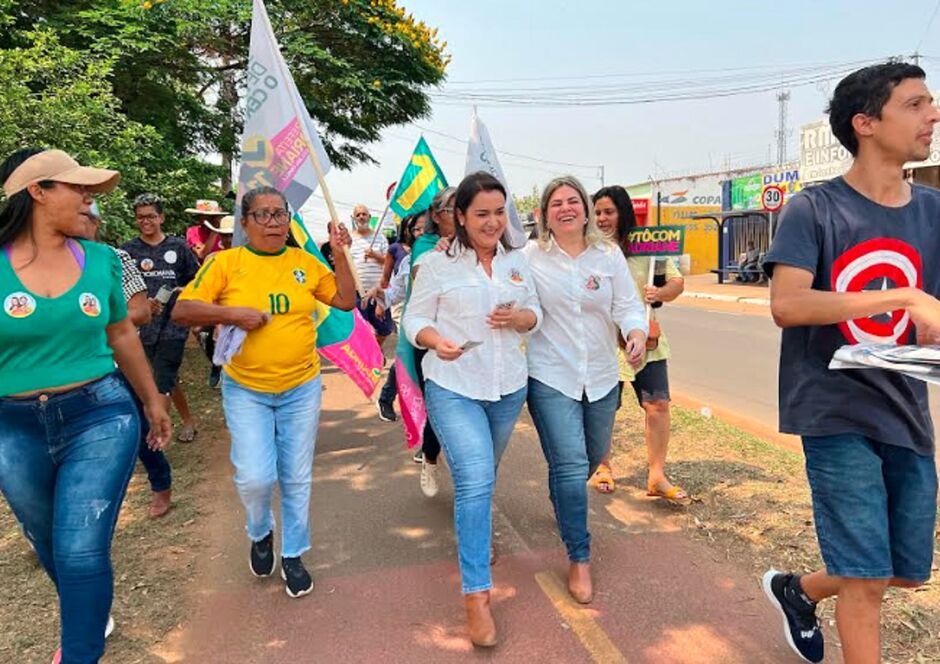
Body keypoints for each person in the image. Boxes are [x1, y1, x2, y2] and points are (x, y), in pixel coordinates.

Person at [760, 63, 940, 664]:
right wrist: (900, 296)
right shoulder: (814, 209)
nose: (932, 116)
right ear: (866, 124)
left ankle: (800, 591)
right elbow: (787, 304)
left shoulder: (933, 213)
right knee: (865, 579)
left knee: (905, 572)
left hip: (906, 408)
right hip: (833, 410)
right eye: (915, 105)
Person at [0, 148, 171, 664]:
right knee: (48, 539)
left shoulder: (102, 260)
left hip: (99, 412)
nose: (89, 198)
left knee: (79, 548)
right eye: (77, 188)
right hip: (13, 426)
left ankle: (79, 651)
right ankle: (91, 610)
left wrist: (152, 401)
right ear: (37, 191)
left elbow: (121, 333)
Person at [173, 185, 356, 599]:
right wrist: (230, 313)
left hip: (301, 386)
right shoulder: (226, 263)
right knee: (256, 477)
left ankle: (293, 554)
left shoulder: (304, 263)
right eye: (263, 215)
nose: (273, 223)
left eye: (280, 214)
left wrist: (341, 254)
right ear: (245, 222)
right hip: (247, 390)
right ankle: (260, 531)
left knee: (296, 476)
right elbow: (182, 310)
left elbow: (346, 300)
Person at [403, 172, 540, 647]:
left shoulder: (517, 263)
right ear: (460, 217)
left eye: (499, 212)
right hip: (454, 385)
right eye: (481, 213)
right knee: (478, 476)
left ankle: (474, 532)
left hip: (507, 389)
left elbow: (534, 313)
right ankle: (476, 597)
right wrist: (435, 340)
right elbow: (414, 319)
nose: (492, 222)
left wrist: (520, 317)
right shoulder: (438, 265)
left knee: (482, 477)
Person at [524, 176, 647, 606]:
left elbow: (629, 305)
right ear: (544, 213)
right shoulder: (529, 257)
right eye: (556, 202)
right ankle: (579, 556)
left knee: (591, 460)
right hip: (549, 376)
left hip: (599, 377)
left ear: (587, 209)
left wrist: (634, 331)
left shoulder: (608, 255)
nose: (566, 208)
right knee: (573, 465)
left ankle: (562, 493)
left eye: (573, 201)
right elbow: (499, 280)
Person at [589, 185, 689, 504]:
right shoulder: (588, 250)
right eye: (598, 212)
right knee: (604, 407)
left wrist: (659, 294)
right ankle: (602, 466)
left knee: (657, 405)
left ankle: (656, 475)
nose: (602, 218)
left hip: (647, 342)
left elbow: (675, 282)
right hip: (604, 344)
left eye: (609, 211)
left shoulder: (648, 249)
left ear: (624, 213)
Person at [81, 203, 176, 519]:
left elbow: (140, 312)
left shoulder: (115, 259)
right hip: (72, 371)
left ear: (97, 222)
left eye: (89, 217)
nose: (83, 224)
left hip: (118, 364)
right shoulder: (36, 264)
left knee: (140, 430)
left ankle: (160, 484)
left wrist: (92, 321)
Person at [122, 194, 201, 443]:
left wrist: (181, 292)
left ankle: (157, 435)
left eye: (151, 216)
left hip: (173, 326)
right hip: (141, 328)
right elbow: (118, 289)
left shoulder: (178, 247)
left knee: (163, 377)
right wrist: (140, 306)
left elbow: (198, 281)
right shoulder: (127, 251)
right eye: (141, 217)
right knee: (161, 377)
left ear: (161, 217)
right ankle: (187, 420)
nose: (146, 221)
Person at [403, 188, 457, 496]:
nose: (459, 213)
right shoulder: (426, 245)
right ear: (436, 216)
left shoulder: (475, 243)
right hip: (428, 341)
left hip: (466, 341)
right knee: (438, 406)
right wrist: (442, 255)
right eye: (451, 209)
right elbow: (419, 274)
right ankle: (430, 457)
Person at [373, 211, 428, 423]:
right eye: (416, 229)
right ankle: (387, 398)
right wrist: (380, 297)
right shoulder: (403, 258)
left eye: (425, 227)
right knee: (407, 359)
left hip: (440, 326)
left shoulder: (449, 255)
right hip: (408, 317)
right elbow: (392, 289)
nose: (421, 232)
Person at [348, 203, 393, 344]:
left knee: (385, 329)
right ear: (354, 218)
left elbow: (389, 263)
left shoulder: (380, 238)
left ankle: (376, 351)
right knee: (359, 331)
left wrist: (375, 256)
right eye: (358, 215)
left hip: (378, 292)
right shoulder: (349, 240)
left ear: (369, 216)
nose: (361, 217)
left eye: (364, 214)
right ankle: (366, 361)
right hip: (357, 293)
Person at [199, 214, 235, 389]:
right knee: (201, 331)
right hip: (217, 308)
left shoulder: (251, 258)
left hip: (242, 309)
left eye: (232, 235)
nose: (228, 239)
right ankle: (216, 365)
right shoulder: (212, 258)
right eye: (225, 235)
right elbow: (207, 289)